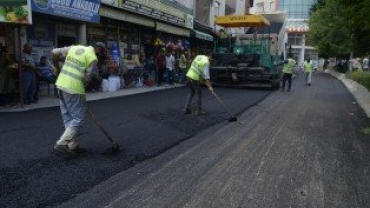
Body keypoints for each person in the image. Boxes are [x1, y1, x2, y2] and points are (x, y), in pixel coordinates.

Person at [51, 42, 105, 156]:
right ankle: (62, 143)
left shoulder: (74, 48)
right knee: (78, 118)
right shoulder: (92, 57)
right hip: (73, 88)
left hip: (60, 84)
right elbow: (87, 79)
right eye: (102, 52)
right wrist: (82, 94)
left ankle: (72, 145)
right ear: (99, 49)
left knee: (68, 117)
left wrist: (57, 68)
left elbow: (54, 52)